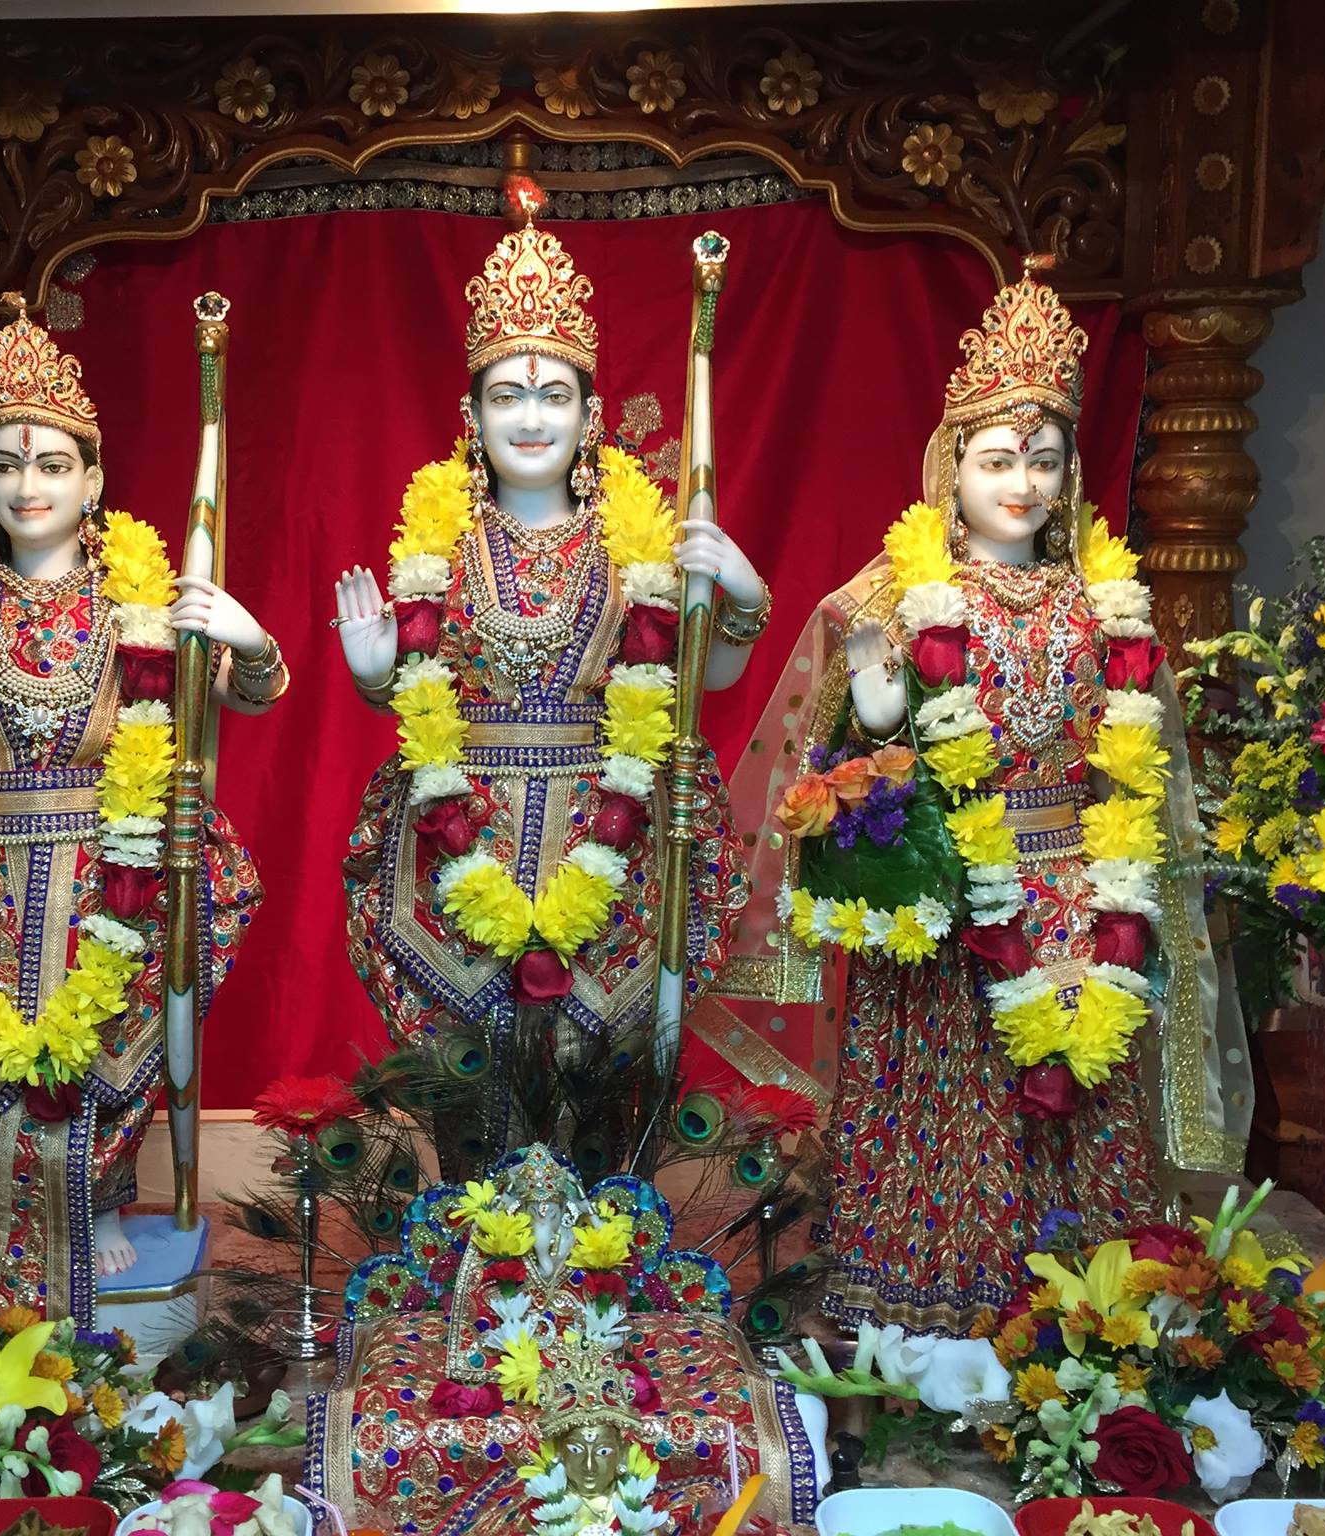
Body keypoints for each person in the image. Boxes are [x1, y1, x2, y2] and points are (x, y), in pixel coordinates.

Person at [719, 260, 1250, 1335]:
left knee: (1078, 1093)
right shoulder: (891, 597)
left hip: (1075, 897)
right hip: (946, 901)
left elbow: (1137, 769)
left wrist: (1123, 897)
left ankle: (1077, 1306)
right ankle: (922, 1299)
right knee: (945, 1091)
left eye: (1044, 460)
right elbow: (828, 776)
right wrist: (880, 720)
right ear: (948, 465)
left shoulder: (1108, 605)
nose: (1022, 482)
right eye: (998, 458)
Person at [0, 299, 285, 1317]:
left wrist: (250, 638)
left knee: (108, 1055)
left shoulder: (139, 607)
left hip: (112, 873)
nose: (28, 486)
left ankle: (97, 1212)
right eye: (6, 466)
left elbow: (249, 693)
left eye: (53, 465)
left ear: (92, 481)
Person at [332, 209, 768, 1161]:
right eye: (507, 397)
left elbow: (705, 678)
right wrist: (373, 675)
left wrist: (739, 593)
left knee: (598, 1081)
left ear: (590, 415)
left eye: (554, 396)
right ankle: (469, 1235)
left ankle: (605, 1243)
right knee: (470, 1072)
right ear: (473, 418)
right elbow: (417, 697)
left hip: (613, 831)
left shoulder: (638, 545)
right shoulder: (438, 545)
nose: (531, 419)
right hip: (459, 829)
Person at [304, 1144, 823, 1534]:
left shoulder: (590, 1254)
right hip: (509, 1370)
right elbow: (473, 1345)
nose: (543, 1223)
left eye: (551, 1213)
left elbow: (608, 1334)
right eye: (532, 1215)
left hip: (586, 1370)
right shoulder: (493, 1261)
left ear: (567, 1213)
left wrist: (583, 1357)